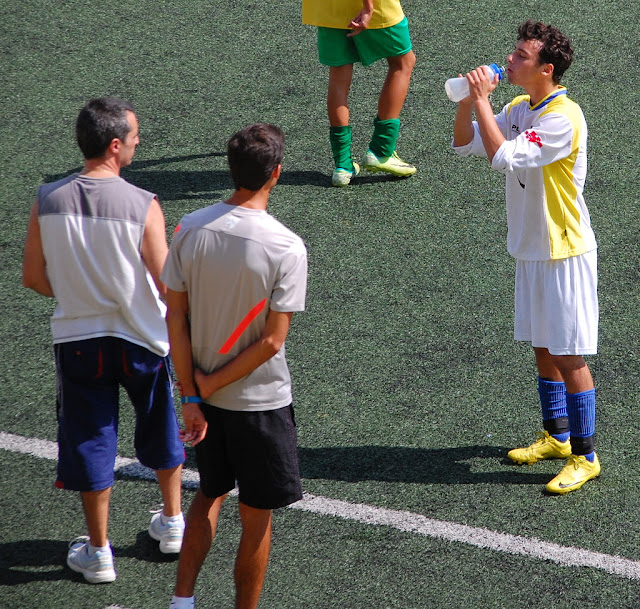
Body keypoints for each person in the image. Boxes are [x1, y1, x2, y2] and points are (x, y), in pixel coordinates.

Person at [22, 97, 186, 584]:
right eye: (134, 137)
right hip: (142, 339)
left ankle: (98, 552)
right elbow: (165, 282)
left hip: (79, 341)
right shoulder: (142, 203)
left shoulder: (47, 199)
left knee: (92, 438)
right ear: (115, 145)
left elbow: (33, 277)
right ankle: (173, 522)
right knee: (160, 424)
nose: (138, 142)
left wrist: (79, 293)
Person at [162, 123, 307, 609]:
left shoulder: (189, 227)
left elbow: (175, 317)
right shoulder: (286, 246)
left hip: (206, 402)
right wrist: (208, 385)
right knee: (257, 516)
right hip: (260, 404)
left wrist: (192, 394)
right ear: (276, 173)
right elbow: (271, 342)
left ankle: (182, 601)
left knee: (209, 494)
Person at [452, 21, 600, 494]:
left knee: (567, 353)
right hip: (531, 248)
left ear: (546, 69)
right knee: (542, 345)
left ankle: (585, 455)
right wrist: (466, 102)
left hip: (564, 251)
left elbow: (502, 158)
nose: (510, 60)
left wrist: (480, 98)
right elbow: (466, 144)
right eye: (513, 52)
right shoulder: (519, 107)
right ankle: (557, 436)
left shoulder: (563, 118)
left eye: (520, 55)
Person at [302, 0, 417, 186]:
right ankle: (382, 150)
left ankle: (342, 166)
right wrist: (368, 7)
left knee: (338, 76)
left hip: (327, 7)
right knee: (403, 63)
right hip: (369, 7)